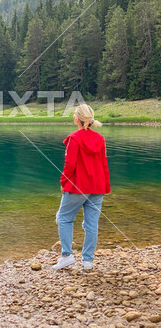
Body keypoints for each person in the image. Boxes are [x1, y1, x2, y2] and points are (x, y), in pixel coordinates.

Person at [53, 103, 110, 271]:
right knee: (92, 224)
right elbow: (103, 164)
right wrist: (106, 186)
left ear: (76, 118)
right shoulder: (99, 139)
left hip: (78, 187)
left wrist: (63, 183)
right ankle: (87, 261)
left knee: (64, 218)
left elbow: (69, 165)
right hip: (97, 187)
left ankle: (67, 256)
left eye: (74, 115)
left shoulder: (74, 138)